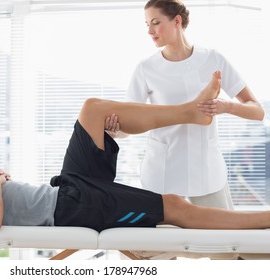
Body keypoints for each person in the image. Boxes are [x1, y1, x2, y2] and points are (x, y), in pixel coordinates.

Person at [0, 72, 270, 233]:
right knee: (175, 206)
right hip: (73, 207)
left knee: (93, 110)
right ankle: (263, 221)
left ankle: (191, 112)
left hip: (67, 190)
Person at [106, 0, 264, 210]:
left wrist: (226, 107)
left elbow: (258, 111)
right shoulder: (146, 69)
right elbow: (132, 123)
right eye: (147, 25)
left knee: (223, 239)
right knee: (161, 242)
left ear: (176, 21)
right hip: (163, 172)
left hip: (207, 171)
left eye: (155, 23)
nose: (150, 31)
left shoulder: (212, 59)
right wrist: (116, 131)